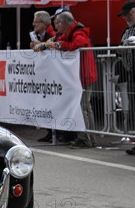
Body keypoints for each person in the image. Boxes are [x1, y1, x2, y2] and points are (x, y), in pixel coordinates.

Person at [37, 11, 98, 149]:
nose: (56, 26)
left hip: (84, 74)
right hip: (79, 74)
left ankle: (89, 138)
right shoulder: (70, 33)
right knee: (82, 107)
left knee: (84, 107)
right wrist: (48, 45)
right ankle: (85, 137)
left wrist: (57, 45)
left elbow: (77, 43)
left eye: (57, 23)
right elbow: (60, 41)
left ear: (64, 23)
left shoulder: (78, 32)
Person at [31, 10, 61, 143]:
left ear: (44, 23)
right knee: (46, 103)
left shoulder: (52, 34)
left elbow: (54, 47)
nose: (33, 24)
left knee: (54, 103)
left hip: (53, 74)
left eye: (36, 22)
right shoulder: (39, 34)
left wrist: (41, 46)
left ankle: (57, 132)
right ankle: (50, 131)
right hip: (46, 74)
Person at [116, 0, 135, 156]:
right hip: (131, 73)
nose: (126, 18)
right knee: (134, 109)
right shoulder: (128, 30)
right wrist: (120, 50)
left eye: (128, 14)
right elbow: (120, 48)